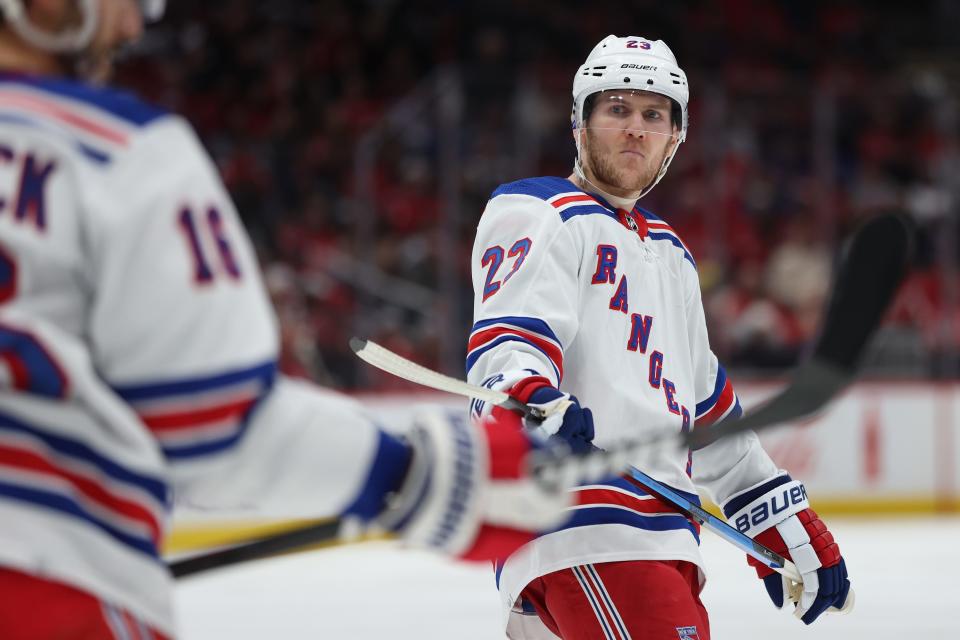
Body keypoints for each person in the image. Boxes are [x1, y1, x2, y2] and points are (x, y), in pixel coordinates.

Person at [0, 2, 576, 638]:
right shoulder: (117, 151)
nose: (134, 28)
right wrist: (424, 472)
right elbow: (215, 427)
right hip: (50, 595)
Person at [467, 35, 853, 639]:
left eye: (653, 115)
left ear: (675, 138)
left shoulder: (670, 253)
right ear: (580, 122)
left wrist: (780, 514)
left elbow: (706, 411)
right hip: (587, 527)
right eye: (616, 109)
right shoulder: (541, 211)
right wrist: (528, 394)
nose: (635, 129)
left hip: (660, 540)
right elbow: (507, 344)